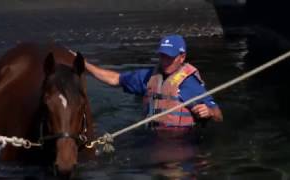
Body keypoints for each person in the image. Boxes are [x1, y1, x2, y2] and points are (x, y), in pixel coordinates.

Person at [85, 34, 223, 134]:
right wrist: (84, 65)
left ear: (182, 57)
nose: (165, 61)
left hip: (180, 141)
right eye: (163, 56)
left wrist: (209, 112)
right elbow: (115, 79)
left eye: (170, 57)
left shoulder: (189, 83)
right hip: (152, 136)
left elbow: (218, 115)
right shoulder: (151, 77)